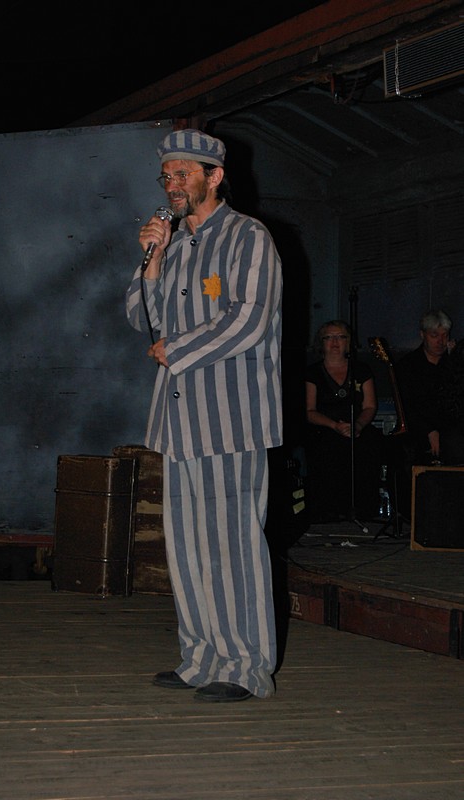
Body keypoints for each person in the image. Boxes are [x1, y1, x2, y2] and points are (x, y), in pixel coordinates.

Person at [125, 128, 283, 702]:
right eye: (167, 175)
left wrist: (178, 349)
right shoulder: (171, 242)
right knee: (187, 549)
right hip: (178, 422)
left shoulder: (248, 237)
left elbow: (249, 317)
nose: (172, 184)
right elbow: (140, 317)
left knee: (233, 546)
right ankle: (201, 658)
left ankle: (245, 668)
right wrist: (152, 263)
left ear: (214, 177)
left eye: (183, 174)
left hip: (231, 420)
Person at [304, 320, 382, 522]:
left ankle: (364, 509)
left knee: (369, 445)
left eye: (340, 337)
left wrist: (358, 425)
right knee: (325, 447)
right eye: (329, 337)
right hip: (325, 428)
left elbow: (369, 406)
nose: (335, 342)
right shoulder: (312, 373)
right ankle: (329, 511)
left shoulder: (361, 370)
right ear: (321, 342)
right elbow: (309, 410)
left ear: (348, 342)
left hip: (357, 427)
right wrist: (334, 425)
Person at [396, 310, 459, 465]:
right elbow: (408, 405)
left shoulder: (453, 362)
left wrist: (455, 360)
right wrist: (429, 430)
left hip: (451, 428)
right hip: (419, 429)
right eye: (434, 335)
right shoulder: (408, 365)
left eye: (445, 335)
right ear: (422, 335)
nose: (440, 341)